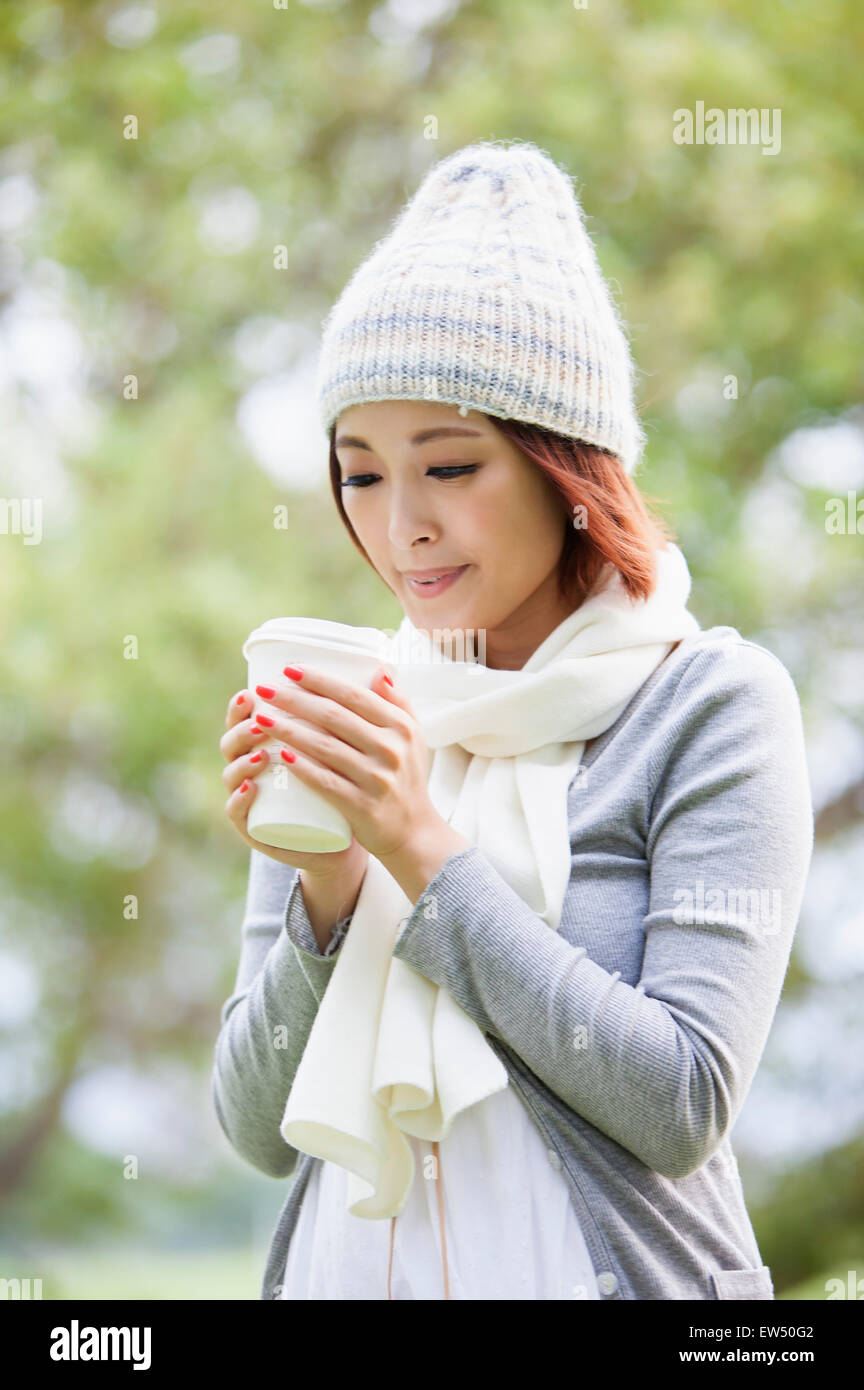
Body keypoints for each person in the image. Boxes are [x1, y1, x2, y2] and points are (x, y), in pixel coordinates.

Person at [211, 140, 813, 1300]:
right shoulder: (359, 709)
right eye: (362, 473)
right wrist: (326, 889)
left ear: (564, 468)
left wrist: (421, 849)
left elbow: (680, 1099)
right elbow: (257, 1127)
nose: (403, 528)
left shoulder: (710, 705)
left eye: (449, 464)